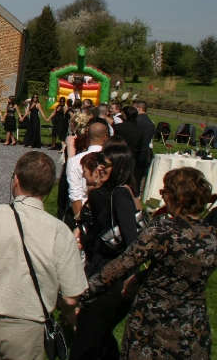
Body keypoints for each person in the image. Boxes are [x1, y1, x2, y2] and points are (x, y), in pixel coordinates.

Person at [0, 151, 88, 360]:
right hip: (29, 326)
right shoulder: (60, 232)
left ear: (16, 180)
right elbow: (71, 297)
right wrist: (69, 313)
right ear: (48, 189)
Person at [80, 167, 217, 359]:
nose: (163, 197)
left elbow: (120, 266)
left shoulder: (163, 229)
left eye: (165, 192)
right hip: (193, 323)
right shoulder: (211, 236)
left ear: (178, 198)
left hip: (153, 320)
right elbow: (180, 267)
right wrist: (140, 276)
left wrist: (81, 294)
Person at [72, 145, 140, 360]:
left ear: (119, 167)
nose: (99, 167)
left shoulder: (116, 194)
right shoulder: (117, 192)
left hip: (109, 274)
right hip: (104, 269)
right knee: (98, 337)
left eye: (105, 164)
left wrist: (129, 277)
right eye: (99, 162)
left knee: (86, 341)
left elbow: (131, 240)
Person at [67, 122, 108, 220]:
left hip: (82, 210)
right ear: (105, 137)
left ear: (88, 136)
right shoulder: (110, 159)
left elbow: (75, 194)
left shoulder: (75, 160)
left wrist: (79, 220)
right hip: (105, 211)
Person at [112, 106, 145, 194]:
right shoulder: (140, 131)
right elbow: (139, 148)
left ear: (125, 116)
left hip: (116, 156)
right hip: (131, 158)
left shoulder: (118, 128)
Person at [133, 100, 155, 190]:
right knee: (137, 180)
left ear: (139, 108)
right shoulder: (151, 123)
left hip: (136, 152)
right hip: (145, 152)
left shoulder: (137, 121)